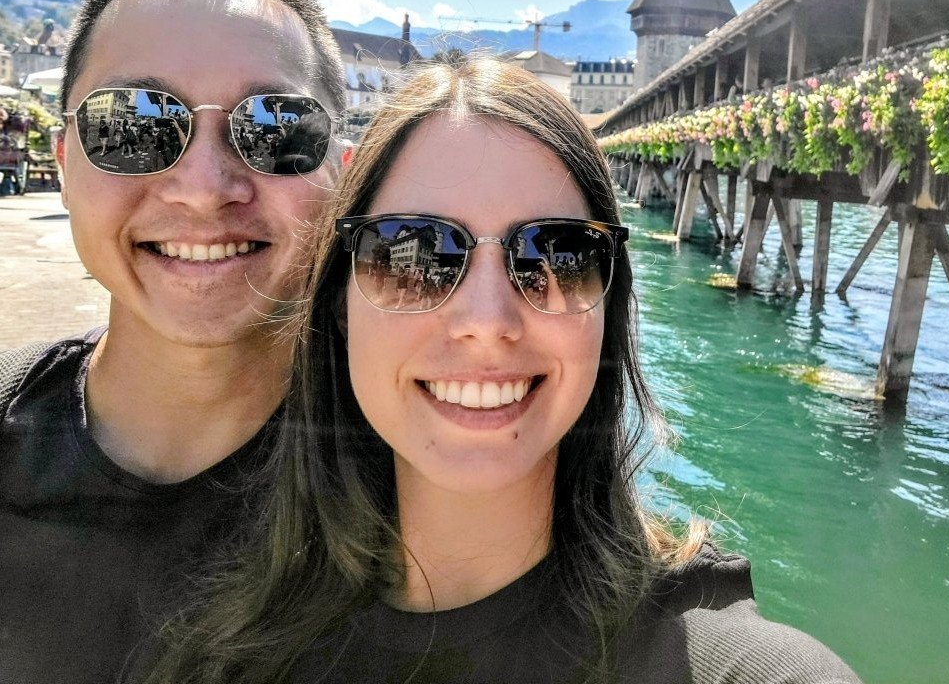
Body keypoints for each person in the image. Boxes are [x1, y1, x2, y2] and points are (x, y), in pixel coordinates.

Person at [142, 56, 860, 684]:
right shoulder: (222, 640)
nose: (487, 321)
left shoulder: (725, 664)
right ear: (339, 304)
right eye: (414, 254)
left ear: (608, 307)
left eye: (557, 255)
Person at [0, 0, 346, 683]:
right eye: (134, 124)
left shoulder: (435, 490)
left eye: (275, 128)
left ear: (340, 175)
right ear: (64, 164)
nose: (203, 189)